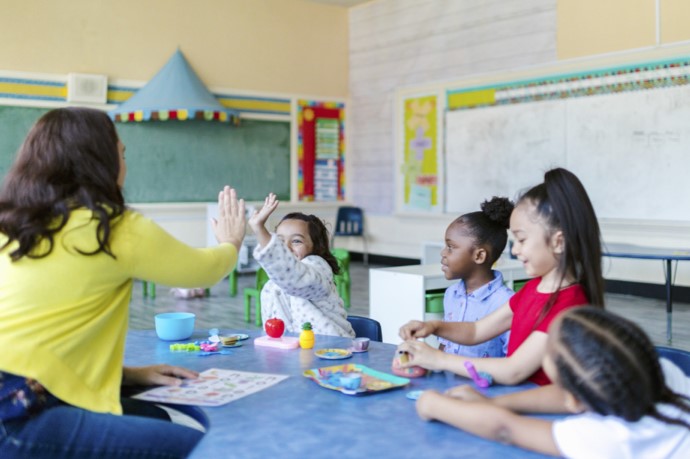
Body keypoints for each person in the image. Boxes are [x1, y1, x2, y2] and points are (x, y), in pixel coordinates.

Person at [0, 107, 246, 459]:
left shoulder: (13, 224)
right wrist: (231, 242)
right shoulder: (112, 228)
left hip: (21, 395)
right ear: (99, 161)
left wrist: (129, 375)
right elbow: (203, 271)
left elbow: (33, 339)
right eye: (122, 153)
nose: (125, 165)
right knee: (200, 449)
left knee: (156, 415)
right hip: (18, 415)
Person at [398, 168, 604, 385]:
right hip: (518, 395)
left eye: (522, 240)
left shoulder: (569, 305)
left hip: (534, 401)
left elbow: (513, 370)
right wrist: (433, 327)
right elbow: (477, 331)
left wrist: (438, 360)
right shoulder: (533, 289)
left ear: (558, 242)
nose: (514, 251)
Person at [415, 307, 690, 458]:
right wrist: (494, 401)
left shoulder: (608, 439)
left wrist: (432, 404)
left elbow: (505, 430)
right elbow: (567, 394)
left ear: (576, 400)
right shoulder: (660, 372)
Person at [248, 192, 354, 337]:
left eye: (296, 241)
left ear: (316, 246)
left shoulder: (318, 268)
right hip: (295, 351)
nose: (286, 247)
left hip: (332, 349)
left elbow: (295, 278)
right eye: (279, 241)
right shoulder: (274, 283)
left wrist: (259, 229)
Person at [436, 196, 515, 358]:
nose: (443, 253)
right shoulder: (451, 294)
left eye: (451, 247)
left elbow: (512, 360)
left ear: (479, 255)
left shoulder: (506, 303)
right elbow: (445, 344)